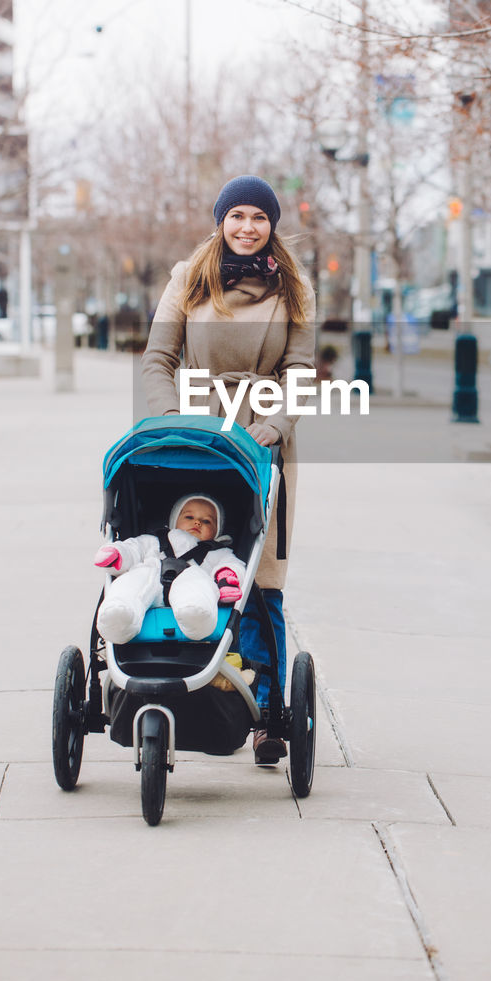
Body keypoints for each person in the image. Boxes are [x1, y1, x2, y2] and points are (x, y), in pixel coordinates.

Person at [141, 174, 316, 764]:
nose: (247, 227)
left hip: (262, 434)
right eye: (237, 215)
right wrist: (170, 421)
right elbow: (158, 360)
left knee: (260, 578)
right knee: (192, 554)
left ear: (272, 225)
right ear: (221, 220)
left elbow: (299, 368)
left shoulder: (293, 287)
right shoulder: (188, 278)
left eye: (259, 218)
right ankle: (182, 686)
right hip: (198, 433)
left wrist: (279, 422)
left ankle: (266, 713)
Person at [95, 494, 245, 645]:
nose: (197, 522)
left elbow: (233, 564)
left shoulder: (217, 551)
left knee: (200, 583)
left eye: (207, 521)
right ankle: (119, 615)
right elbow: (134, 548)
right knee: (134, 579)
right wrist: (119, 553)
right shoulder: (155, 540)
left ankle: (196, 615)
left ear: (217, 531)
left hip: (191, 578)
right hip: (151, 574)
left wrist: (227, 576)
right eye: (189, 517)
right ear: (174, 520)